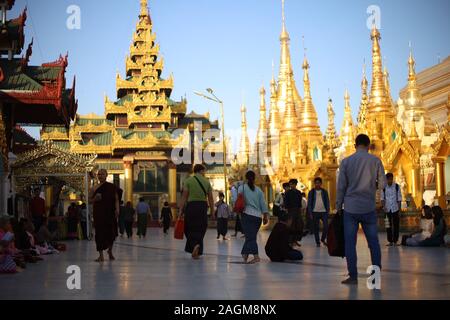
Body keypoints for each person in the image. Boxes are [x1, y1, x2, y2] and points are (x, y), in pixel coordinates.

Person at [336, 134, 386, 285]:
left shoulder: (346, 162)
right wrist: (378, 199)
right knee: (373, 243)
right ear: (369, 145)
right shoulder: (375, 160)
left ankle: (353, 276)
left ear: (355, 145)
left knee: (350, 243)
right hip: (368, 206)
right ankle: (375, 276)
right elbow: (382, 184)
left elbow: (341, 186)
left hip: (350, 207)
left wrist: (338, 205)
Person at [179, 164, 215, 259]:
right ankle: (197, 247)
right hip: (203, 206)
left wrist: (180, 210)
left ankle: (194, 245)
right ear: (201, 171)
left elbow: (184, 197)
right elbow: (211, 199)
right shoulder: (206, 182)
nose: (205, 173)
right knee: (201, 227)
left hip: (191, 206)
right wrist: (212, 211)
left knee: (188, 227)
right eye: (204, 171)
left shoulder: (188, 181)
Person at [238, 170, 269, 264]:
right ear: (254, 178)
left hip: (246, 215)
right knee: (250, 236)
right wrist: (265, 216)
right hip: (257, 217)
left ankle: (256, 256)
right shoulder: (259, 190)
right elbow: (263, 204)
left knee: (250, 237)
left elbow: (235, 199)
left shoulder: (242, 188)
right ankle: (245, 255)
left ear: (246, 178)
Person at [89, 169, 120, 262]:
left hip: (110, 213)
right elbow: (88, 200)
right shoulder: (94, 188)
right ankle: (101, 255)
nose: (100, 176)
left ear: (106, 175)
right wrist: (95, 199)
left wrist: (117, 209)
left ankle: (110, 251)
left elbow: (116, 199)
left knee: (111, 232)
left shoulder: (112, 187)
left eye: (102, 174)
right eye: (99, 174)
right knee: (99, 233)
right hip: (99, 214)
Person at [307, 177, 330, 247]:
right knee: (316, 228)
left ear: (321, 183)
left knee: (326, 226)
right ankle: (318, 242)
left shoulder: (324, 192)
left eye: (319, 183)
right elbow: (309, 203)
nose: (317, 184)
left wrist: (328, 210)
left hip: (324, 211)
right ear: (314, 184)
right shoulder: (311, 192)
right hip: (315, 212)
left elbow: (327, 201)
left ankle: (323, 239)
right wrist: (310, 213)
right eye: (316, 183)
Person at [381, 173, 402, 246]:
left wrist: (399, 210)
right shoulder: (384, 188)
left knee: (396, 225)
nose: (390, 181)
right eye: (389, 179)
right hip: (387, 209)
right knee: (388, 225)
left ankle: (395, 241)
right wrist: (384, 207)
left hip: (395, 208)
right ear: (386, 180)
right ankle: (390, 241)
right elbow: (382, 199)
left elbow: (399, 198)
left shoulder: (396, 186)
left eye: (391, 179)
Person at [284, 179, 304, 246]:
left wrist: (300, 209)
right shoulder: (288, 193)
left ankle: (295, 240)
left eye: (292, 184)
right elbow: (286, 202)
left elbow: (300, 202)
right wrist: (286, 210)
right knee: (291, 226)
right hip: (290, 210)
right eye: (290, 184)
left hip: (297, 210)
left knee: (298, 225)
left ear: (295, 184)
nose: (291, 185)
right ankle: (290, 240)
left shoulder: (298, 192)